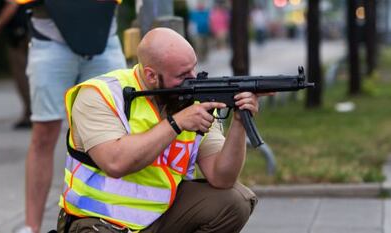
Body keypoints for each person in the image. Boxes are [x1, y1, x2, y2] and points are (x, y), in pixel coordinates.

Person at [56, 27, 259, 233]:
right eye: (182, 75)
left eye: (193, 69)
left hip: (162, 214)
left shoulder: (194, 99)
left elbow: (221, 177)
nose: (193, 79)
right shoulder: (101, 94)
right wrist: (176, 123)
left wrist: (240, 123)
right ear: (151, 75)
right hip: (99, 220)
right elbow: (115, 163)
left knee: (234, 202)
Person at [15, 0, 127, 232]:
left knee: (117, 128)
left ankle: (114, 220)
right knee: (44, 133)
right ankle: (31, 227)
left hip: (104, 35)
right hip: (50, 38)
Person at [0, 0, 31, 129]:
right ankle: (32, 112)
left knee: (21, 72)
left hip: (20, 33)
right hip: (32, 30)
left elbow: (12, 5)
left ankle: (30, 113)